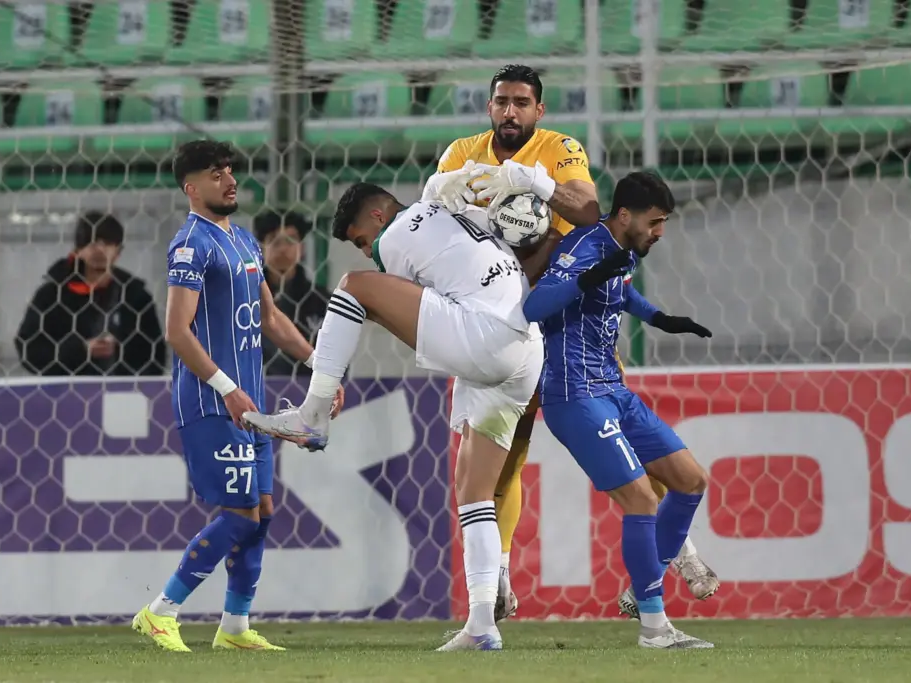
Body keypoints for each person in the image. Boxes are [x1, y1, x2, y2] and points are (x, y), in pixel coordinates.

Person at [428, 64, 719, 621]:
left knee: (626, 445)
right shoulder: (461, 153)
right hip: (499, 321)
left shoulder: (559, 149)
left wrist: (531, 183)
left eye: (521, 102)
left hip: (570, 321)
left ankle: (678, 551)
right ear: (489, 107)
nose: (510, 111)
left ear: (538, 111)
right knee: (506, 454)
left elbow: (587, 209)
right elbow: (439, 220)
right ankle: (500, 577)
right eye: (501, 101)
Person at [242, 184, 543, 652]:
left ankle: (313, 415)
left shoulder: (400, 231)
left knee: (352, 286)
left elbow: (380, 305)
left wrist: (344, 329)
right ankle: (483, 624)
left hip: (484, 337)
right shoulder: (450, 214)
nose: (370, 251)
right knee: (474, 491)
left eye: (363, 240)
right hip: (526, 348)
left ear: (378, 216)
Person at [131, 140, 343, 653]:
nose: (229, 180)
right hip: (212, 402)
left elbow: (270, 318)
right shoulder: (191, 244)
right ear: (191, 187)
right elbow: (177, 331)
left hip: (252, 405)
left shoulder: (244, 240)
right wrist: (226, 389)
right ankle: (160, 611)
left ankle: (234, 626)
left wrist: (321, 368)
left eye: (229, 170)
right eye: (215, 173)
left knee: (262, 512)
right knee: (241, 515)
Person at [523, 172, 714, 649]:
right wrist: (587, 277)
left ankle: (642, 587)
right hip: (575, 394)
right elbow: (534, 307)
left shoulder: (624, 248)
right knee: (641, 500)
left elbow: (621, 291)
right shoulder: (583, 247)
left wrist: (659, 318)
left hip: (613, 389)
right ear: (625, 215)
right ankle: (654, 627)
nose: (660, 232)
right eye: (655, 222)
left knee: (691, 480)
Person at [15, 211, 165, 377]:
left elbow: (155, 357)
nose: (99, 249)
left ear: (118, 251)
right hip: (66, 390)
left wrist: (119, 350)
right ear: (78, 250)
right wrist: (81, 350)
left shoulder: (135, 296)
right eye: (91, 242)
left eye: (107, 243)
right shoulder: (52, 294)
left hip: (122, 391)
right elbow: (28, 350)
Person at [253, 211, 330, 377]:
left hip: (307, 386)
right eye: (274, 240)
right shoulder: (247, 296)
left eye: (290, 240)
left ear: (301, 248)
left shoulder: (321, 300)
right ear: (261, 248)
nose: (283, 248)